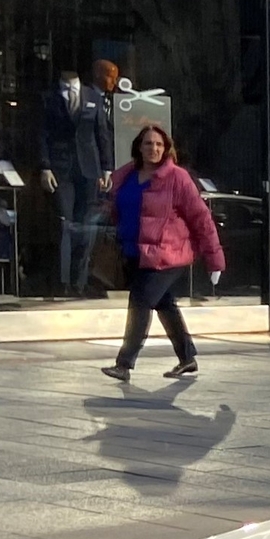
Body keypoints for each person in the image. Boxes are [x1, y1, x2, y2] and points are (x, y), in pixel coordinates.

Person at [102, 123, 221, 381]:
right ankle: (187, 358)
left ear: (166, 149)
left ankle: (124, 364)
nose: (153, 148)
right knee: (164, 303)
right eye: (148, 143)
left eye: (159, 144)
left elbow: (201, 218)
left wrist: (215, 260)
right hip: (137, 252)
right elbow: (116, 208)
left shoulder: (177, 178)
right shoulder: (126, 175)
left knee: (141, 300)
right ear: (139, 147)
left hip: (169, 253)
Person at [43, 65, 116, 295]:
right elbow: (42, 134)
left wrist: (106, 168)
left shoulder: (93, 96)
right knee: (65, 223)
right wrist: (45, 167)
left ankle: (80, 281)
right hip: (61, 169)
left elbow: (101, 134)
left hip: (89, 169)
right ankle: (63, 281)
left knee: (87, 226)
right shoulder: (49, 97)